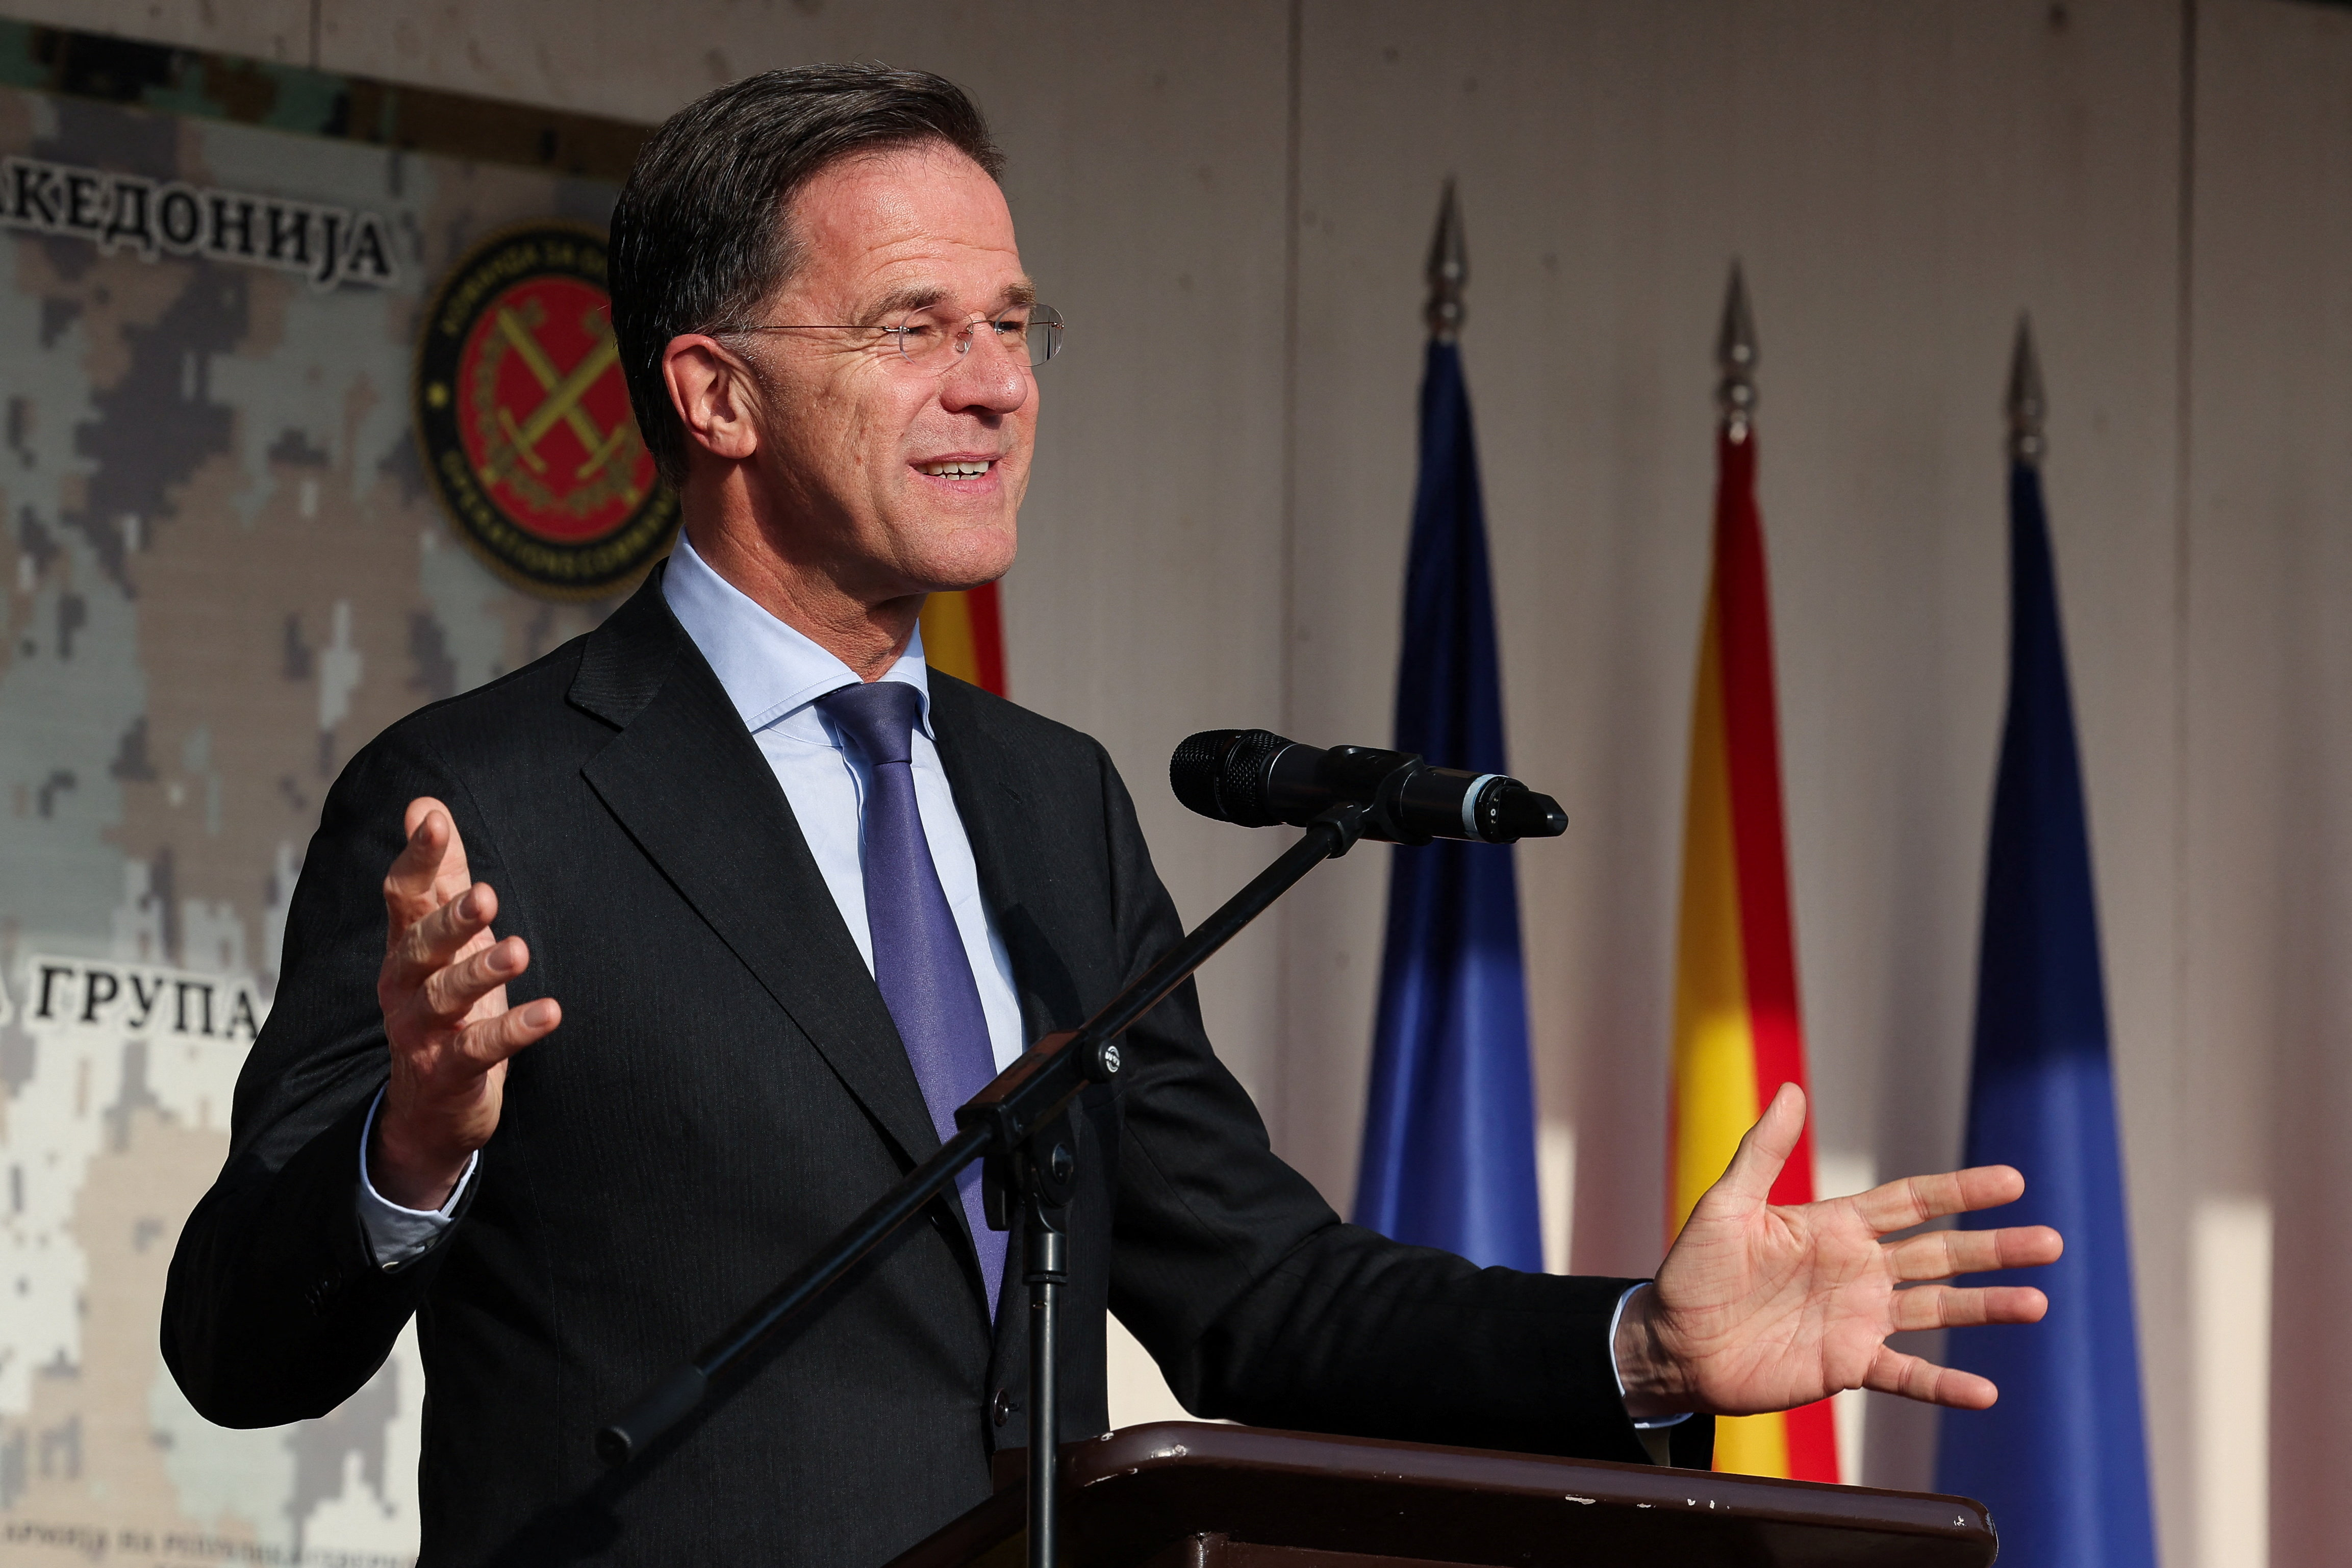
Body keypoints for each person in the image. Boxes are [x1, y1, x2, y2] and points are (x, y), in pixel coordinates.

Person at [162, 65, 2060, 1567]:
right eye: (913, 326)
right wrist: (412, 1144)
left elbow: (1258, 1288)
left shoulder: (1045, 800)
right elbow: (237, 1351)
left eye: (1013, 321)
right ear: (713, 391)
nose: (996, 382)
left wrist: (1641, 1341)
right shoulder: (486, 804)